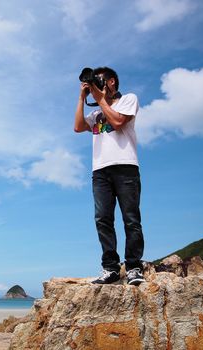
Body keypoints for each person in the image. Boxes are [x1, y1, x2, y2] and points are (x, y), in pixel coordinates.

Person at [74, 66, 145, 286]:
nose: (96, 84)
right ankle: (111, 268)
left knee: (130, 219)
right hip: (100, 170)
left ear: (112, 82)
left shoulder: (128, 100)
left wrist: (101, 99)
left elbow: (117, 122)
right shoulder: (95, 114)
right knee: (103, 219)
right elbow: (77, 127)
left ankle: (133, 267)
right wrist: (82, 97)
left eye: (99, 80)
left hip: (125, 167)